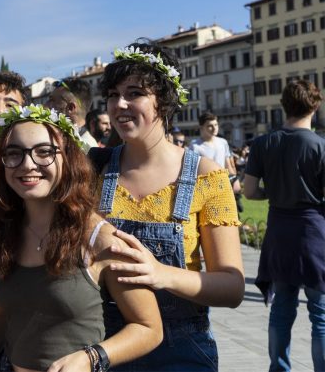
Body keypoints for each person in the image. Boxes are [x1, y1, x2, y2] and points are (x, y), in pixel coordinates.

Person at [0, 104, 162, 372]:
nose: (28, 164)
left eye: (44, 152)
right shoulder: (4, 233)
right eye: (14, 153)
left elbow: (149, 327)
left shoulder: (101, 239)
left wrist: (91, 357)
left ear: (68, 158)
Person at [92, 42, 244, 371]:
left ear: (164, 100)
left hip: (181, 351)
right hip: (106, 346)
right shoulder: (93, 171)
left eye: (134, 93)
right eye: (113, 95)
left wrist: (162, 274)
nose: (119, 104)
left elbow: (232, 287)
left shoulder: (206, 177)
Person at [243, 79, 325, 372]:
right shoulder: (320, 146)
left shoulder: (263, 143)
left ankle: (279, 368)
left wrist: (274, 193)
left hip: (279, 231)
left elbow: (249, 191)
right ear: (315, 107)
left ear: (283, 106)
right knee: (321, 315)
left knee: (281, 309)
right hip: (313, 232)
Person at [46, 77, 98, 151]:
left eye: (52, 100)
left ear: (70, 108)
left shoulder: (86, 149)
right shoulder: (68, 142)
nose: (46, 105)